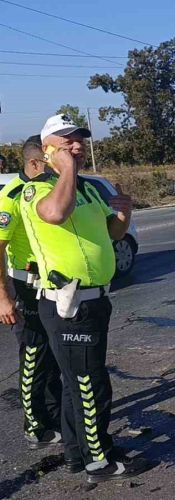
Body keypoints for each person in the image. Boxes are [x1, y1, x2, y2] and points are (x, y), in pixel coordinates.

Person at [20, 114, 152, 483]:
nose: (77, 147)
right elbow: (55, 214)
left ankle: (78, 454)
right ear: (48, 149)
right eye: (67, 142)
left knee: (75, 380)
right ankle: (100, 460)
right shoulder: (39, 189)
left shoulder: (89, 189)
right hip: (69, 303)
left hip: (95, 300)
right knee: (90, 383)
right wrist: (63, 170)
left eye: (80, 140)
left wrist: (123, 213)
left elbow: (111, 232)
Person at [0, 135, 63, 449]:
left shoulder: (51, 187)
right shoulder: (10, 195)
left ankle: (55, 414)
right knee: (33, 355)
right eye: (50, 158)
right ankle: (35, 425)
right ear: (35, 162)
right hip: (23, 286)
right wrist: (3, 298)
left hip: (50, 284)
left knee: (52, 354)